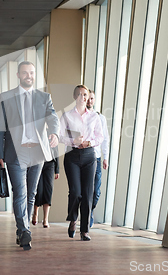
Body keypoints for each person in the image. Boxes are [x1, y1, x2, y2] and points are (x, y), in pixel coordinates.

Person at [0, 61, 59, 250]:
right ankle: (24, 230)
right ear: (18, 75)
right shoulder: (6, 97)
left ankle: (23, 230)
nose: (28, 76)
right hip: (16, 151)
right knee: (20, 192)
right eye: (25, 73)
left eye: (31, 73)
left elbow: (53, 117)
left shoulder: (44, 97)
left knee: (31, 194)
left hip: (37, 150)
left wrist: (54, 132)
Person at [60, 85, 103, 241]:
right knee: (76, 192)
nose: (82, 97)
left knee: (87, 194)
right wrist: (73, 141)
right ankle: (73, 220)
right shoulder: (66, 116)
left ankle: (84, 230)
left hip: (89, 156)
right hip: (72, 155)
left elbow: (100, 137)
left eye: (85, 94)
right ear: (74, 96)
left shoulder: (94, 117)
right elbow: (59, 136)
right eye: (79, 94)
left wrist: (89, 143)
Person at [86, 90, 109, 227]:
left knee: (96, 191)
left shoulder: (101, 118)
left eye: (92, 98)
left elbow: (105, 138)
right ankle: (83, 216)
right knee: (83, 191)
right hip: (83, 158)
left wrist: (105, 157)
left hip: (97, 158)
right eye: (87, 98)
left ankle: (90, 211)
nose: (89, 101)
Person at [32, 146, 59, 228]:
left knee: (48, 190)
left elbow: (56, 151)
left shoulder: (52, 134)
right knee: (38, 190)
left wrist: (57, 170)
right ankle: (35, 214)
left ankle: (45, 219)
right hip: (37, 162)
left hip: (50, 163)